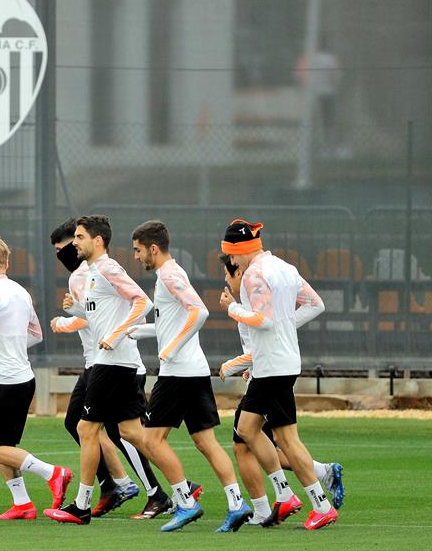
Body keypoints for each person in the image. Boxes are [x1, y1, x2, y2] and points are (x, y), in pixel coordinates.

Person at [49, 218, 186, 519]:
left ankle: (85, 504)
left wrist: (116, 334)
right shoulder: (93, 272)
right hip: (110, 362)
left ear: (97, 241)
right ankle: (182, 492)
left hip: (112, 363)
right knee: (130, 433)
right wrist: (75, 311)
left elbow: (143, 303)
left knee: (86, 428)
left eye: (79, 238)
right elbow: (99, 316)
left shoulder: (108, 268)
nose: (74, 244)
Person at [126, 220, 252, 532]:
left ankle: (185, 502)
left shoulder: (169, 274)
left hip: (178, 373)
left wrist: (171, 348)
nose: (136, 256)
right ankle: (237, 504)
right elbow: (173, 322)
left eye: (138, 250)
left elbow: (200, 312)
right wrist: (142, 331)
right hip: (192, 370)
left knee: (151, 439)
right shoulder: (168, 275)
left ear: (153, 248)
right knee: (205, 441)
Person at [218, 219, 337, 530]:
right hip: (277, 363)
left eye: (231, 254)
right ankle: (285, 494)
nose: (231, 262)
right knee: (246, 429)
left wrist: (232, 308)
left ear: (239, 250)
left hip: (272, 365)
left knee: (286, 438)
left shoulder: (253, 275)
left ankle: (320, 505)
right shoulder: (284, 267)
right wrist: (284, 326)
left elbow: (265, 320)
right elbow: (315, 305)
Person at [0, 235, 72, 520]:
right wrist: (10, 346)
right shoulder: (20, 291)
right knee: (4, 447)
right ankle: (22, 504)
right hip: (24, 378)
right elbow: (36, 335)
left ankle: (53, 473)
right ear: (7, 262)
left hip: (6, 381)